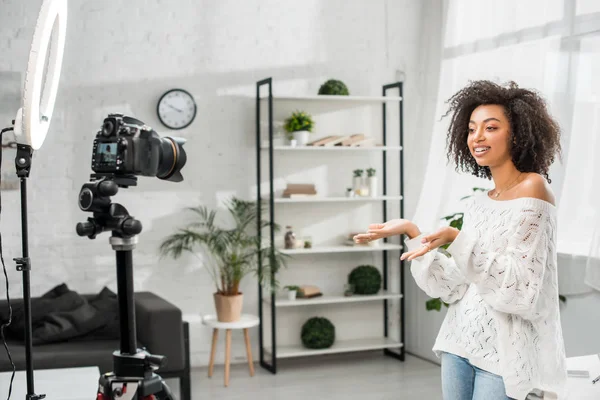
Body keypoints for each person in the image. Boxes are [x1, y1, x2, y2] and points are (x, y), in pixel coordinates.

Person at [354, 80, 567, 400]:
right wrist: (414, 233)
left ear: (518, 133)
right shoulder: (479, 202)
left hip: (501, 356)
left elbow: (521, 291)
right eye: (471, 129)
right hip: (458, 341)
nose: (477, 137)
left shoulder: (534, 189)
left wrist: (457, 239)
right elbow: (453, 286)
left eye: (491, 127)